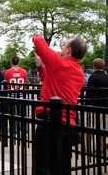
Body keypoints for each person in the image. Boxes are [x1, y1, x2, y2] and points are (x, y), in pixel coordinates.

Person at [32, 35, 87, 175]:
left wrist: (37, 35)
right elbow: (50, 78)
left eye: (63, 45)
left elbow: (39, 42)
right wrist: (40, 67)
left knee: (42, 164)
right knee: (61, 165)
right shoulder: (79, 71)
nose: (61, 48)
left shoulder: (61, 64)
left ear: (68, 50)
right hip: (68, 122)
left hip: (50, 120)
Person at [86, 58, 108, 153]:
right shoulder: (107, 77)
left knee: (90, 128)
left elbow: (89, 93)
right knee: (103, 128)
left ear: (93, 66)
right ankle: (102, 148)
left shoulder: (92, 77)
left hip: (94, 106)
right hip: (106, 106)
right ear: (103, 66)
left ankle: (87, 148)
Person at [4, 56, 28, 134]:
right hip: (22, 95)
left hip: (12, 95)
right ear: (19, 62)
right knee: (23, 113)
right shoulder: (23, 71)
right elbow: (25, 80)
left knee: (13, 114)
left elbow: (6, 81)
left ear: (11, 62)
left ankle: (14, 130)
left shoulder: (7, 72)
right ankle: (25, 129)